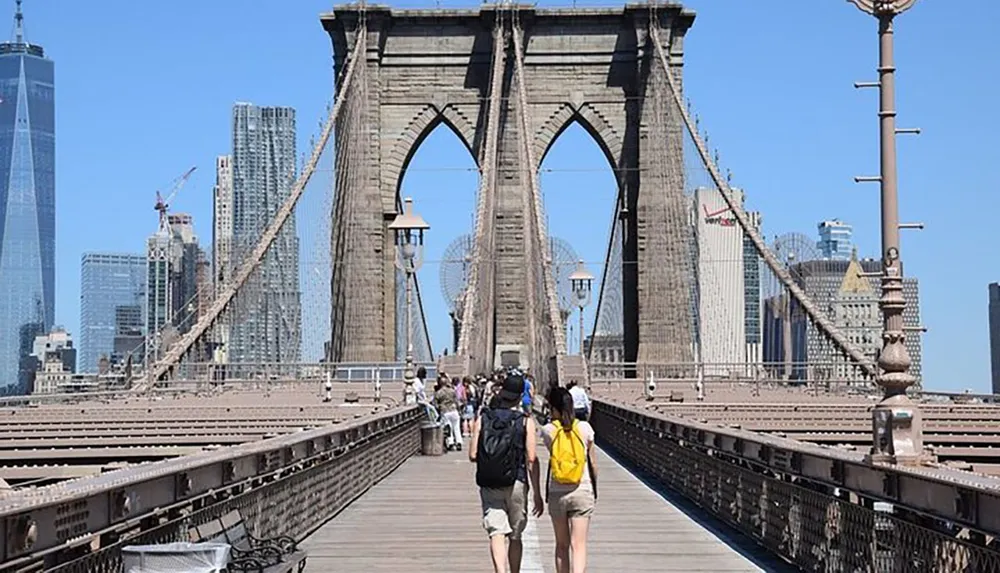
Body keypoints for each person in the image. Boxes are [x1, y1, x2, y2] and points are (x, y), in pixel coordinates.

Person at [470, 374, 544, 573]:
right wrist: (537, 493)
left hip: (490, 482)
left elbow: (472, 454)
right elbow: (531, 459)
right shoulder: (525, 422)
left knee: (496, 532)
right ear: (520, 397)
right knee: (515, 536)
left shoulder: (483, 418)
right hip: (517, 483)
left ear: (501, 393)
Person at [540, 386, 597, 573]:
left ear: (553, 408)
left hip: (558, 492)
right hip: (582, 489)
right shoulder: (585, 428)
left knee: (562, 545)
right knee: (578, 545)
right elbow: (593, 464)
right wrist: (593, 488)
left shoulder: (548, 430)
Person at [435, 376, 462, 451]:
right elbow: (456, 401)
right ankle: (459, 442)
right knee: (456, 427)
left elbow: (436, 404)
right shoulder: (452, 391)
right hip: (454, 410)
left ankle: (451, 443)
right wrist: (459, 409)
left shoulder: (438, 393)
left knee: (448, 428)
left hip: (445, 411)